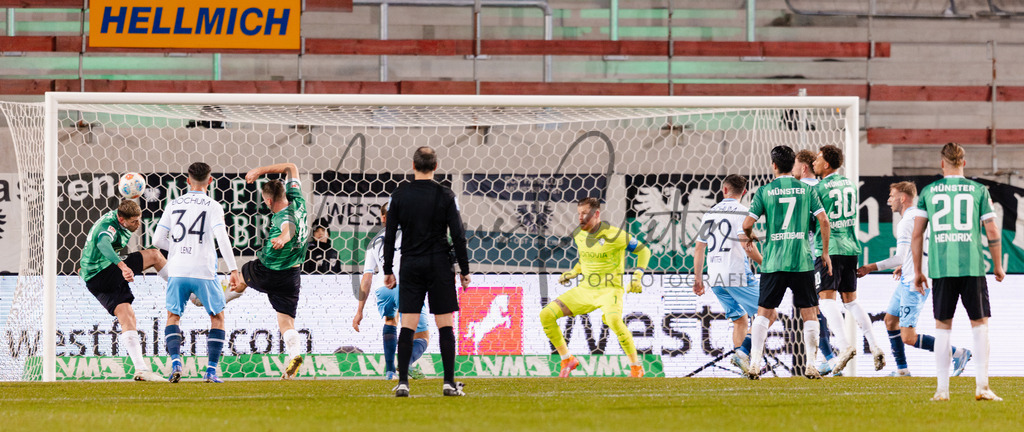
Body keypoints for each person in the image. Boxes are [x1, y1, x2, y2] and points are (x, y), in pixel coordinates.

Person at [911, 142, 1004, 402]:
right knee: (980, 324)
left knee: (942, 327)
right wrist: (997, 265)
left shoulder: (929, 192)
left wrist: (918, 271)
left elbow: (917, 234)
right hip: (972, 266)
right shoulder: (978, 190)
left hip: (941, 268)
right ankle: (983, 387)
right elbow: (993, 231)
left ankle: (942, 391)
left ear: (942, 164)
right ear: (964, 163)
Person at [856, 181, 971, 377]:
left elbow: (899, 256)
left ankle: (958, 353)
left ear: (902, 198)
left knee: (908, 336)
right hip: (910, 276)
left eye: (892, 196)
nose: (888, 200)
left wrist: (870, 267)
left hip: (915, 282)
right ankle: (902, 369)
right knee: (890, 321)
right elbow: (926, 248)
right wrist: (907, 264)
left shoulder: (907, 221)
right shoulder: (922, 217)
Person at [383, 146, 471, 397]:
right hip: (439, 264)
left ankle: (402, 383)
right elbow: (458, 235)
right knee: (445, 326)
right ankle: (448, 383)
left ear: (413, 165)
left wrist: (388, 269)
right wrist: (464, 269)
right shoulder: (446, 195)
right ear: (435, 166)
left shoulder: (398, 195)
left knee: (407, 326)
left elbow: (390, 236)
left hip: (410, 264)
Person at [742, 145, 832, 380]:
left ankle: (754, 365)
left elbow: (746, 224)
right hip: (801, 260)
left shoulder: (764, 191)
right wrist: (824, 252)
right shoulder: (806, 190)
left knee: (763, 312)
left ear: (773, 165)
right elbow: (824, 221)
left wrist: (750, 235)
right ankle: (811, 365)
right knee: (810, 312)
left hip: (773, 261)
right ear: (793, 165)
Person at [540, 197, 652, 379]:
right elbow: (584, 259)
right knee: (546, 315)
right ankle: (567, 359)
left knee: (614, 321)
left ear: (596, 214)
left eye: (585, 213)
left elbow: (644, 250)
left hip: (610, 290)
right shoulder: (579, 234)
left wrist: (637, 276)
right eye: (578, 214)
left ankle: (636, 367)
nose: (580, 217)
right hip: (585, 290)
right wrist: (573, 272)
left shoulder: (615, 235)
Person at [152, 163, 241, 383]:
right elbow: (222, 239)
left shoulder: (173, 204)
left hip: (177, 270)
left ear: (187, 180)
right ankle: (210, 371)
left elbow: (156, 241)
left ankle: (175, 363)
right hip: (203, 270)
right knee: (217, 318)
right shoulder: (213, 205)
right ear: (210, 181)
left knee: (173, 317)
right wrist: (233, 269)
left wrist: (177, 249)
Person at [230, 162, 310, 380]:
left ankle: (216, 300)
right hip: (292, 275)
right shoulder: (298, 201)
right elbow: (293, 166)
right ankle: (294, 356)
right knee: (286, 320)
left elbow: (289, 227)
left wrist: (284, 238)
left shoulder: (282, 216)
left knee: (244, 270)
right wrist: (259, 171)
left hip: (269, 270)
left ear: (267, 200)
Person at [811, 145, 885, 374]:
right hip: (850, 247)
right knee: (851, 301)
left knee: (825, 300)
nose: (814, 162)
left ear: (827, 165)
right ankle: (874, 345)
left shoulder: (819, 188)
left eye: (818, 159)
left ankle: (844, 346)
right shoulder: (851, 185)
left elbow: (818, 221)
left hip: (829, 248)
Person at [79, 199, 167, 381]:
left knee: (126, 314)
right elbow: (103, 244)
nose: (138, 224)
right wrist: (122, 266)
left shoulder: (120, 216)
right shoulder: (108, 226)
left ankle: (141, 370)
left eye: (139, 219)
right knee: (155, 255)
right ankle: (185, 291)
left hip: (93, 279)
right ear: (121, 219)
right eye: (134, 221)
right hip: (104, 272)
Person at [353, 202, 430, 380]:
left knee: (390, 321)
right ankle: (405, 363)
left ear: (383, 218)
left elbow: (367, 278)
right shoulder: (412, 234)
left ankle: (389, 372)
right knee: (422, 337)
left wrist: (359, 311)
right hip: (406, 286)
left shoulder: (373, 242)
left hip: (383, 288)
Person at [692, 174, 759, 376]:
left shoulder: (709, 213)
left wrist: (698, 279)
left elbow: (699, 248)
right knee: (768, 313)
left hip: (715, 276)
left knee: (739, 319)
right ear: (744, 192)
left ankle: (745, 368)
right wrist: (765, 262)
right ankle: (744, 353)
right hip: (736, 272)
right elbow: (747, 246)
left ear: (724, 190)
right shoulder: (744, 212)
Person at [796, 150, 839, 375]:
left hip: (809, 254)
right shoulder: (824, 186)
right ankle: (829, 357)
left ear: (803, 167)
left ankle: (832, 358)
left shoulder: (805, 190)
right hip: (827, 251)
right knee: (816, 306)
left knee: (814, 308)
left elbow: (817, 222)